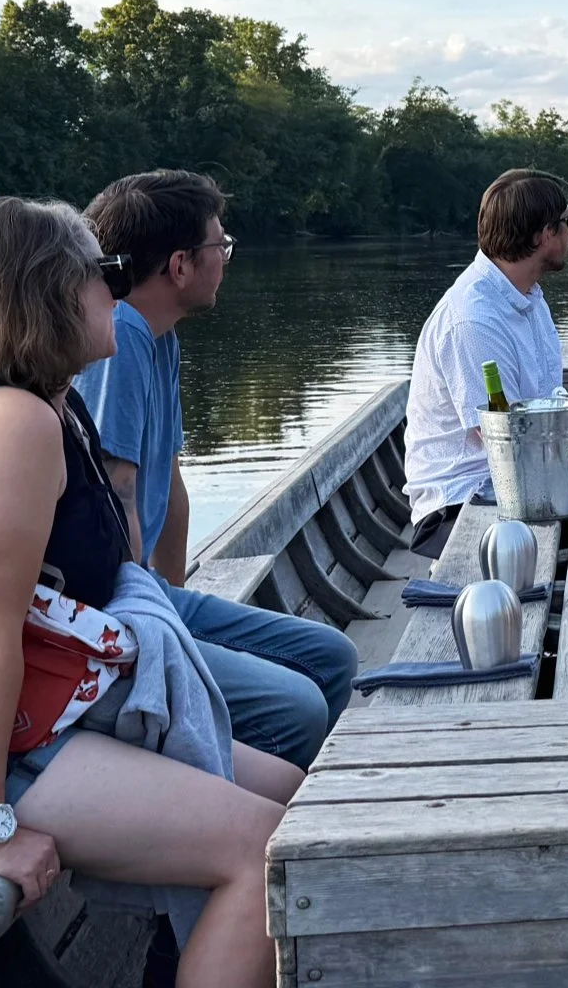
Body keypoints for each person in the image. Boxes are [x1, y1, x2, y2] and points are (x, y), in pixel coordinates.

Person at [0, 198, 293, 988]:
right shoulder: (9, 424)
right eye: (105, 274)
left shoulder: (49, 406)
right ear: (49, 291)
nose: (120, 290)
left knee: (294, 800)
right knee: (263, 847)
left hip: (12, 726)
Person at [75, 170, 356, 769]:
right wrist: (162, 630)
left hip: (153, 592)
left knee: (331, 657)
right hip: (114, 608)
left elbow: (169, 489)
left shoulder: (160, 335)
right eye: (219, 247)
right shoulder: (118, 339)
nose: (226, 259)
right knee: (298, 708)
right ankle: (220, 816)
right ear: (180, 265)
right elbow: (114, 494)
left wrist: (174, 597)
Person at [403, 169, 568, 556]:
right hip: (460, 507)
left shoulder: (526, 297)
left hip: (514, 489)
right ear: (542, 235)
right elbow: (505, 442)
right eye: (567, 222)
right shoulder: (475, 320)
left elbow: (542, 416)